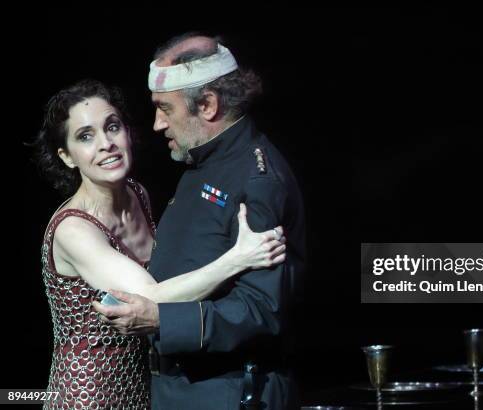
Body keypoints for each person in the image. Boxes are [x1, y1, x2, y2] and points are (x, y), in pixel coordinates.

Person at [34, 79, 288, 409]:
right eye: (86, 136)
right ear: (67, 157)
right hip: (89, 392)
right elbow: (151, 298)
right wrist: (237, 259)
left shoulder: (138, 194)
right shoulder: (73, 230)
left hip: (144, 385)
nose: (106, 143)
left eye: (112, 127)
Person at [94, 33, 306, 409]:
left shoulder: (257, 179)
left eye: (166, 109)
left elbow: (260, 309)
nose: (157, 124)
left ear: (207, 105)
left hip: (225, 391)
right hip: (181, 388)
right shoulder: (204, 160)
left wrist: (162, 320)